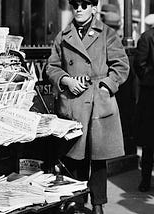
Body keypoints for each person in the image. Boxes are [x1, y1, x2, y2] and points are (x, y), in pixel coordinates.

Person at [46, 0, 130, 213]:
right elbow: (52, 67)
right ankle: (78, 202)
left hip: (98, 105)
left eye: (85, 4)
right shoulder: (64, 36)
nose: (79, 9)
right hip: (73, 104)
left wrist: (105, 87)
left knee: (98, 159)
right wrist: (67, 81)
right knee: (75, 158)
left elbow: (121, 65)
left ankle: (98, 204)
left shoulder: (106, 33)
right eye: (75, 4)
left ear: (94, 8)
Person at [133, 14, 154, 192]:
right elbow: (139, 65)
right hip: (151, 98)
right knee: (149, 143)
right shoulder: (148, 37)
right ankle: (145, 179)